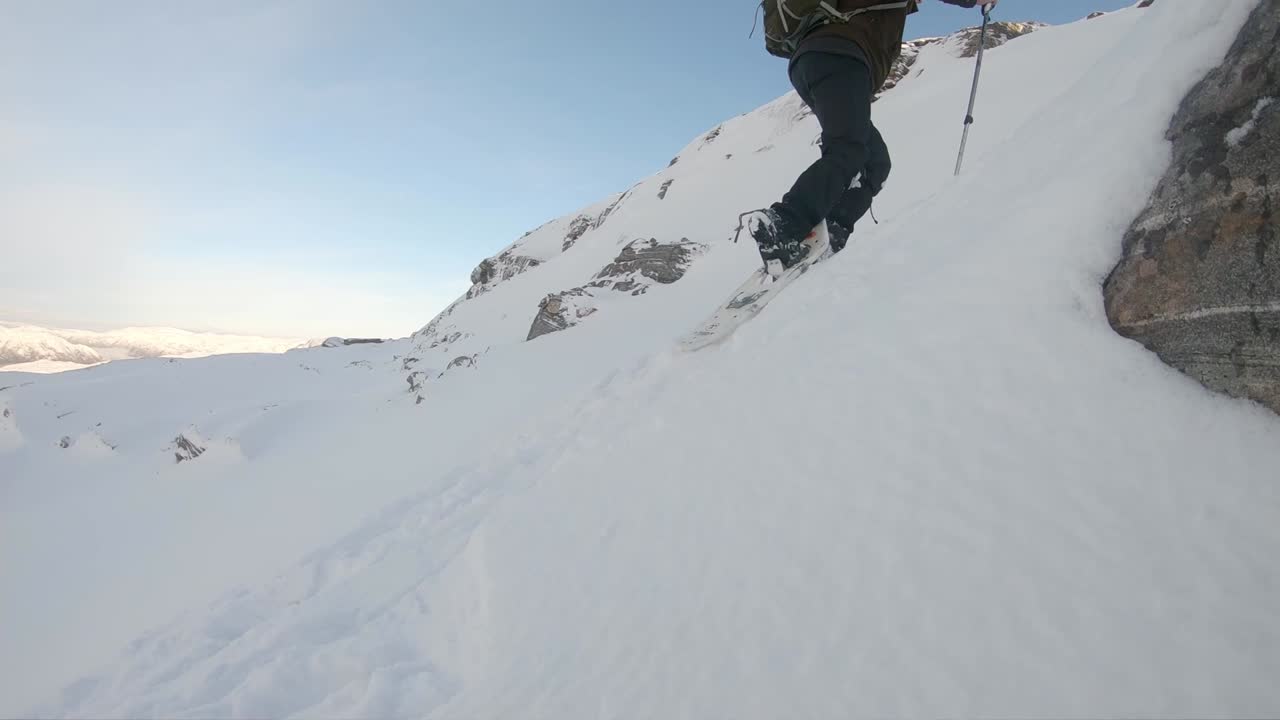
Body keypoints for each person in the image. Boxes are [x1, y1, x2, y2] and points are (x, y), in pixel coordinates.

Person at [749, 0, 997, 269]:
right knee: (848, 149)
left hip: (814, 61)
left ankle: (832, 231)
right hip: (841, 56)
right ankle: (784, 222)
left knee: (875, 162)